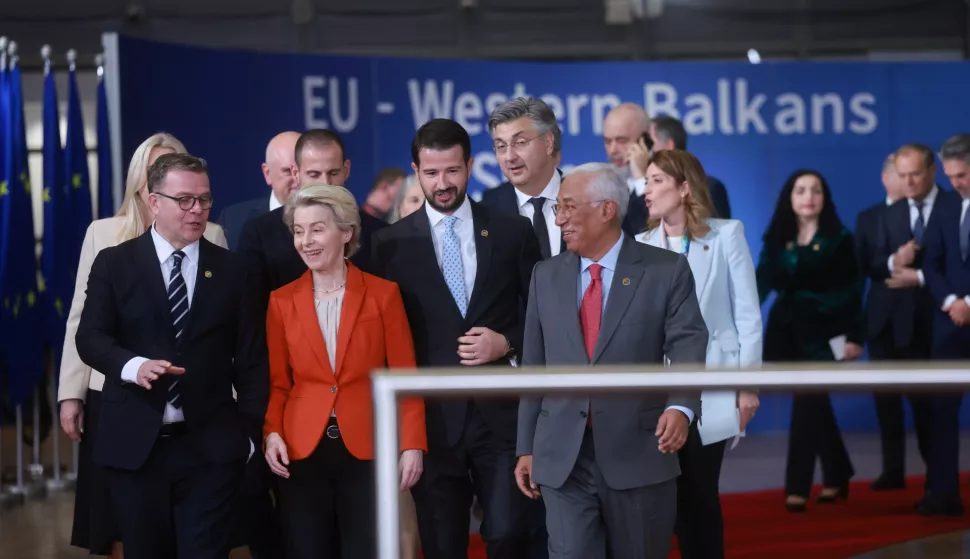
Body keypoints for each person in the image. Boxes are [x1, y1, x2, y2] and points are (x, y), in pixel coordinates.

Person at [75, 153, 267, 558]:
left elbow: (251, 360)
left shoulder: (234, 271)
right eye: (184, 200)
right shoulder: (115, 263)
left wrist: (249, 436)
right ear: (154, 201)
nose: (197, 210)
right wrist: (133, 366)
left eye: (204, 199)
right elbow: (90, 337)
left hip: (211, 450)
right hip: (136, 450)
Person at [515, 163, 708, 559]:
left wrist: (681, 406)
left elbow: (688, 343)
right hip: (562, 456)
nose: (560, 218)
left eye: (569, 206)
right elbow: (535, 367)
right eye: (558, 208)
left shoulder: (664, 270)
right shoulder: (544, 275)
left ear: (607, 209)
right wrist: (526, 446)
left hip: (638, 451)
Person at [371, 118, 544, 559]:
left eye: (452, 170)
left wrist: (506, 343)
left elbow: (543, 317)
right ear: (416, 171)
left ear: (469, 166)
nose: (443, 183)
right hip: (431, 422)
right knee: (442, 545)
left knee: (508, 535)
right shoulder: (389, 246)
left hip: (501, 417)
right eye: (431, 173)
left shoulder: (512, 231)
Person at [58, 133, 227, 559]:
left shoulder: (213, 238)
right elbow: (83, 323)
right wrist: (70, 393)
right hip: (118, 397)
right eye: (157, 171)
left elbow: (225, 332)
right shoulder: (105, 236)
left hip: (198, 415)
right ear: (147, 187)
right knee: (126, 527)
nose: (193, 206)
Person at [262, 184, 427, 557]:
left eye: (317, 229)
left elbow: (405, 377)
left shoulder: (383, 295)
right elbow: (277, 383)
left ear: (346, 232)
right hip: (301, 451)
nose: (306, 241)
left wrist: (412, 444)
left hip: (368, 448)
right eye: (299, 231)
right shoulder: (280, 301)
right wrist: (272, 433)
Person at [634, 149, 761, 559]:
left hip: (713, 384)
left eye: (657, 181)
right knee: (664, 499)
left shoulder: (726, 235)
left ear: (685, 188)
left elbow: (747, 315)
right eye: (646, 181)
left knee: (700, 495)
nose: (646, 190)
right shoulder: (639, 244)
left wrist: (748, 386)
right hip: (657, 394)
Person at [756, 169, 864, 512]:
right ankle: (838, 471)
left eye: (815, 190)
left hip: (828, 336)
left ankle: (797, 486)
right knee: (815, 404)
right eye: (800, 190)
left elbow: (852, 292)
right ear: (789, 197)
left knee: (808, 403)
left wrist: (854, 337)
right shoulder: (777, 236)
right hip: (787, 335)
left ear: (824, 197)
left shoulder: (840, 238)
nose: (808, 197)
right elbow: (759, 285)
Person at [237, 129, 387, 317]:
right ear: (296, 173)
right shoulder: (260, 233)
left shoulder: (379, 234)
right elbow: (250, 313)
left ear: (346, 170)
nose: (325, 184)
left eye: (333, 173)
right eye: (314, 174)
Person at [916, 133, 970, 517]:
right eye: (950, 176)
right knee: (941, 413)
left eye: (962, 175)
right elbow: (931, 263)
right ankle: (944, 494)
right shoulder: (948, 205)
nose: (955, 183)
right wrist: (952, 302)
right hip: (950, 325)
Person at [854, 153, 907, 491]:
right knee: (886, 405)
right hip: (881, 322)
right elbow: (861, 269)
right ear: (886, 178)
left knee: (929, 405)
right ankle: (893, 471)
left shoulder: (930, 214)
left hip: (921, 320)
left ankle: (937, 477)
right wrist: (891, 262)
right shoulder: (868, 218)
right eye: (901, 174)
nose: (908, 180)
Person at [480, 97, 566, 260]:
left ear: (548, 143)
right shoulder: (486, 213)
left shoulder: (586, 199)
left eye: (520, 142)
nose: (510, 157)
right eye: (501, 146)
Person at [217, 131, 300, 251]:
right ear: (267, 173)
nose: (298, 179)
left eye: (303, 170)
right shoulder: (232, 221)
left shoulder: (327, 217)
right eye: (288, 171)